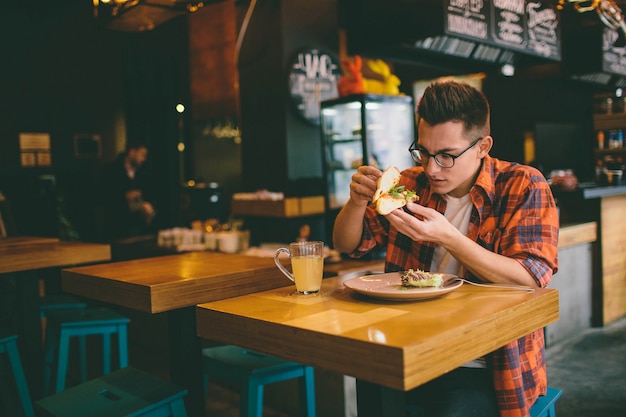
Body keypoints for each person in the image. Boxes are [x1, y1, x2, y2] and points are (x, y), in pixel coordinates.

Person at [332, 80, 559, 417]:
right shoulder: (410, 185)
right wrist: (355, 202)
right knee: (372, 391)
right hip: (409, 347)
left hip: (485, 364)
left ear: (483, 146)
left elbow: (530, 278)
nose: (432, 168)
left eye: (447, 156)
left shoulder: (524, 184)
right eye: (423, 151)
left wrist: (449, 237)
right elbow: (348, 245)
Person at [95, 140, 156, 241]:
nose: (144, 159)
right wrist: (124, 197)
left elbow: (151, 195)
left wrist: (147, 207)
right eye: (142, 155)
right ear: (132, 152)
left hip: (139, 230)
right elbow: (99, 197)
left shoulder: (144, 174)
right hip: (116, 229)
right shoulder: (110, 171)